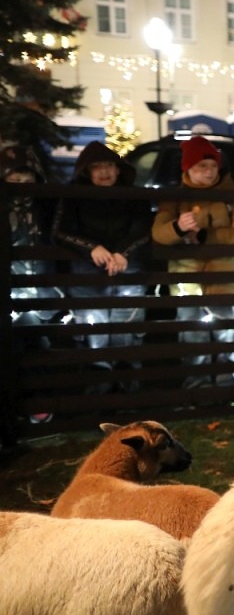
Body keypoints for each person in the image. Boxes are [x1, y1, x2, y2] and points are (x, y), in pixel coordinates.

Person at [151, 135, 234, 389]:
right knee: (193, 340)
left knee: (229, 339)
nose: (209, 172)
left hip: (228, 281)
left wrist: (207, 234)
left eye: (212, 166)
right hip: (187, 283)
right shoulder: (175, 198)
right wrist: (177, 227)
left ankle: (229, 392)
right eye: (202, 166)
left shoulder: (232, 198)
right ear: (188, 168)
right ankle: (197, 393)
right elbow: (159, 233)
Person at [52, 141, 153, 393]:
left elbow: (144, 229)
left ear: (118, 169)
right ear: (87, 171)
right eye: (96, 167)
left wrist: (123, 252)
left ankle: (129, 398)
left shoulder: (134, 195)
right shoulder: (74, 195)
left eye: (108, 165)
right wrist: (91, 248)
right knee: (92, 338)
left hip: (128, 274)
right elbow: (60, 230)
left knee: (127, 336)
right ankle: (97, 399)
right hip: (87, 279)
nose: (104, 172)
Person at [3, 145, 62, 424]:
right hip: (8, 289)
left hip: (39, 288)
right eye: (14, 179)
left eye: (27, 178)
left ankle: (40, 406)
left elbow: (57, 240)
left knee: (37, 345)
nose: (21, 184)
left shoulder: (46, 205)